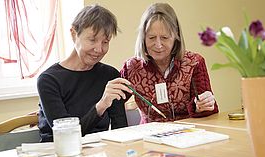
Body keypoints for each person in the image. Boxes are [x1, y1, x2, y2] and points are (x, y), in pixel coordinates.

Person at [37, 5, 132, 142]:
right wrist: (101, 106)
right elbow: (67, 136)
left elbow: (121, 129)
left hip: (99, 151)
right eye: (92, 40)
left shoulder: (110, 75)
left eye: (105, 42)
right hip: (58, 152)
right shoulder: (49, 80)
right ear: (74, 34)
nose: (99, 49)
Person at [120, 3, 218, 123]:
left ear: (176, 37)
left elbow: (211, 111)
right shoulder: (131, 68)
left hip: (189, 134)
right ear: (143, 38)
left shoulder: (194, 63)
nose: (158, 45)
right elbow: (112, 105)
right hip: (149, 136)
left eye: (165, 38)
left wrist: (202, 105)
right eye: (151, 38)